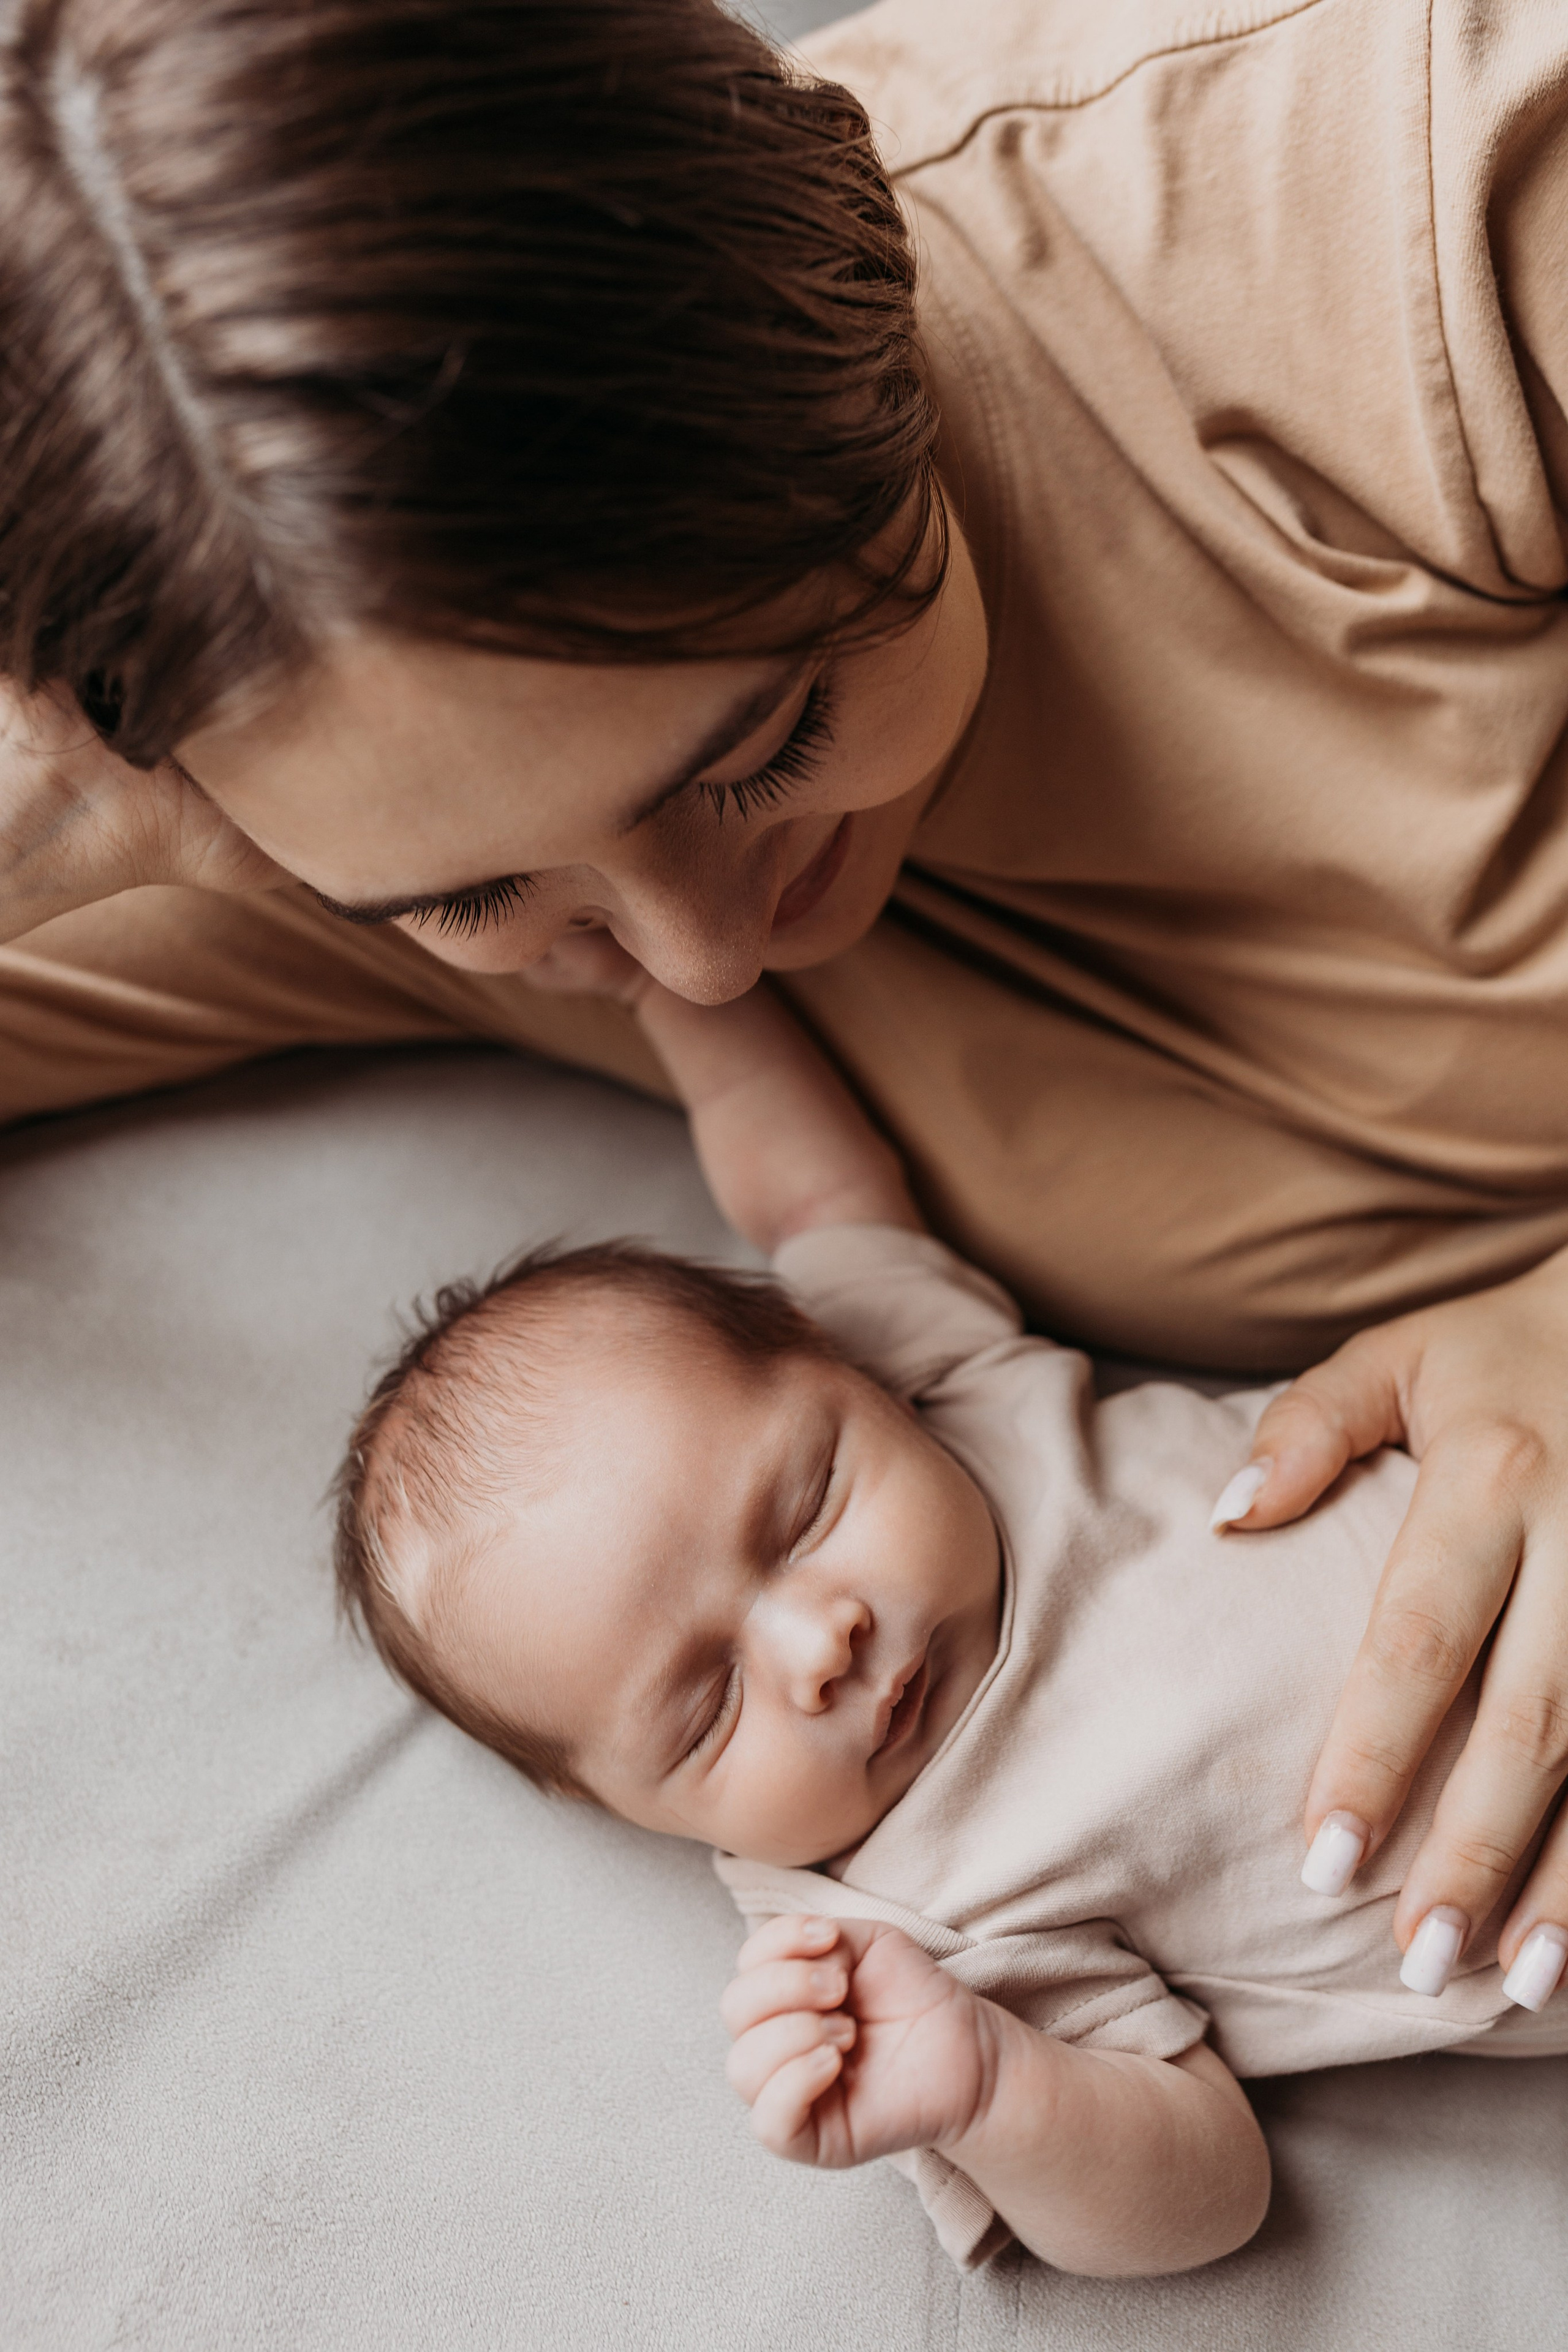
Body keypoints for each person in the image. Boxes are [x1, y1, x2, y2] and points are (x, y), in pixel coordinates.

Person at [2, 0, 1567, 2053]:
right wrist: (37, 819)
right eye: (485, 896)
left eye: (773, 737)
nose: (710, 960)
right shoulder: (286, 817)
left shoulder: (1381, 214)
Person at [329, 940, 1568, 2280]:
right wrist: (987, 2087)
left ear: (850, 1368)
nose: (818, 1645)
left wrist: (661, 1002)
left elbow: (809, 1188)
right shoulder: (894, 1925)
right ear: (627, 1805)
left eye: (805, 1507)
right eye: (705, 1708)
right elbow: (1205, 2195)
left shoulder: (939, 1384)